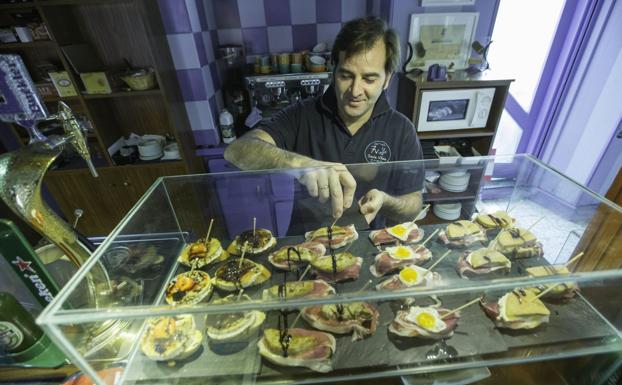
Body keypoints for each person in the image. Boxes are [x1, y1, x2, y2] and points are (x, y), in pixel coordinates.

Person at [225, 16, 425, 233]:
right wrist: (300, 164)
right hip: (305, 245)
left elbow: (414, 204)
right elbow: (236, 151)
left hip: (366, 245)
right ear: (333, 69)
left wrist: (386, 201)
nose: (355, 91)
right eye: (346, 75)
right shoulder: (303, 114)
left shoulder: (401, 129)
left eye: (369, 79)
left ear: (387, 79)